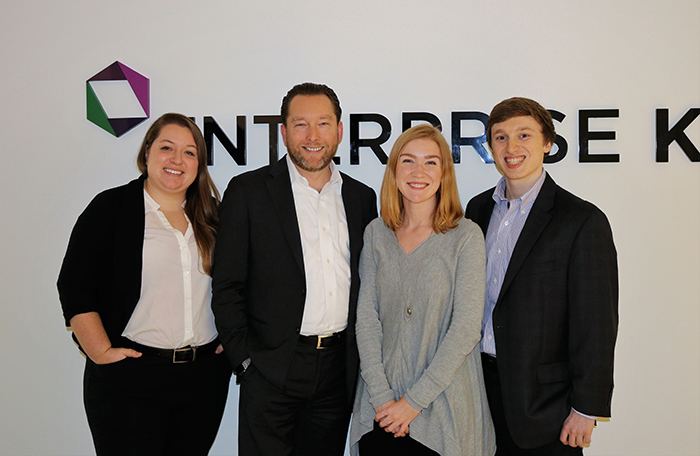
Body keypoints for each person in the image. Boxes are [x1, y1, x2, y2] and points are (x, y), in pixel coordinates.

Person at [211, 82, 377, 456]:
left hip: (338, 370)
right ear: (283, 132)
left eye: (323, 123)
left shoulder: (361, 197)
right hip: (270, 368)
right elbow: (227, 285)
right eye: (301, 125)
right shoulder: (249, 191)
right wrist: (246, 362)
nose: (313, 136)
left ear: (338, 130)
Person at [57, 113, 231, 456]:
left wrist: (232, 335)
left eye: (190, 152)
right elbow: (75, 286)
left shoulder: (214, 215)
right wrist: (100, 351)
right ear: (147, 151)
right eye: (167, 147)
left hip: (203, 381)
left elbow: (240, 282)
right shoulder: (110, 208)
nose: (177, 160)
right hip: (130, 379)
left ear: (200, 163)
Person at [465, 97, 619, 455]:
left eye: (524, 135)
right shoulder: (476, 209)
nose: (511, 147)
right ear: (490, 147)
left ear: (548, 143)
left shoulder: (581, 220)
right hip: (479, 392)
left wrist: (586, 408)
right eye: (500, 137)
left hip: (545, 406)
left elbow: (597, 322)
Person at [349, 124, 496, 456]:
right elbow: (367, 321)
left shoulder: (466, 237)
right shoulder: (376, 233)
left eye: (431, 162)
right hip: (380, 410)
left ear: (444, 172)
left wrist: (412, 403)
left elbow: (466, 328)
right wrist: (383, 398)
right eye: (408, 161)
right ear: (394, 170)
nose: (419, 172)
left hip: (444, 414)